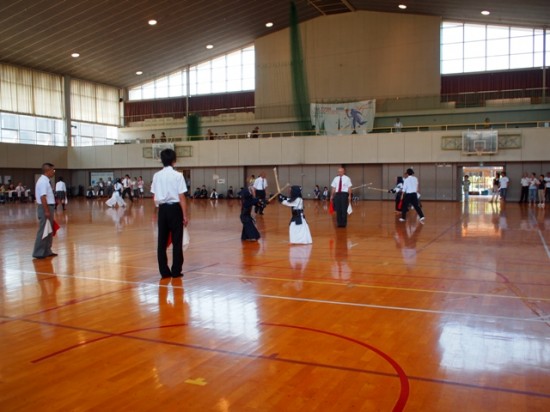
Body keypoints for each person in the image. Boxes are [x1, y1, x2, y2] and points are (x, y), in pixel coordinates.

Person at [151, 148, 189, 278]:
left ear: (161, 160)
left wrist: (157, 211)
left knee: (161, 242)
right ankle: (176, 271)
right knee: (177, 241)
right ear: (174, 160)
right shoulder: (178, 175)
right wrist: (184, 215)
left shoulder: (156, 176)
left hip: (162, 210)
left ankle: (164, 272)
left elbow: (155, 197)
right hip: (175, 209)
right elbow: (181, 197)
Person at [32, 162, 57, 259]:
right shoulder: (42, 181)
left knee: (49, 230)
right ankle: (38, 252)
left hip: (49, 206)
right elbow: (43, 197)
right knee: (43, 230)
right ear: (48, 170)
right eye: (53, 170)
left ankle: (47, 250)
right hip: (45, 207)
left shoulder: (46, 181)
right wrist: (46, 211)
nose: (54, 172)